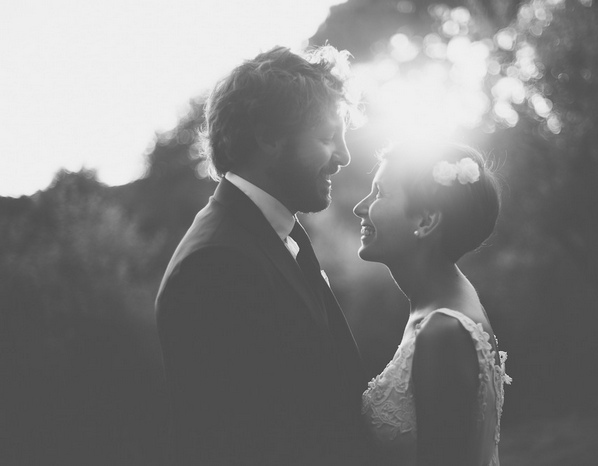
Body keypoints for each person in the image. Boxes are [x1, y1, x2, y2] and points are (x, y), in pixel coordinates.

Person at [155, 45, 372, 466]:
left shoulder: (273, 232)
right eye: (328, 138)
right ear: (269, 137)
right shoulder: (215, 266)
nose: (344, 156)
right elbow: (246, 442)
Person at [354, 140, 512, 466]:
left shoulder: (444, 330)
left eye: (380, 193)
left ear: (426, 220)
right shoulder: (442, 302)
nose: (360, 207)